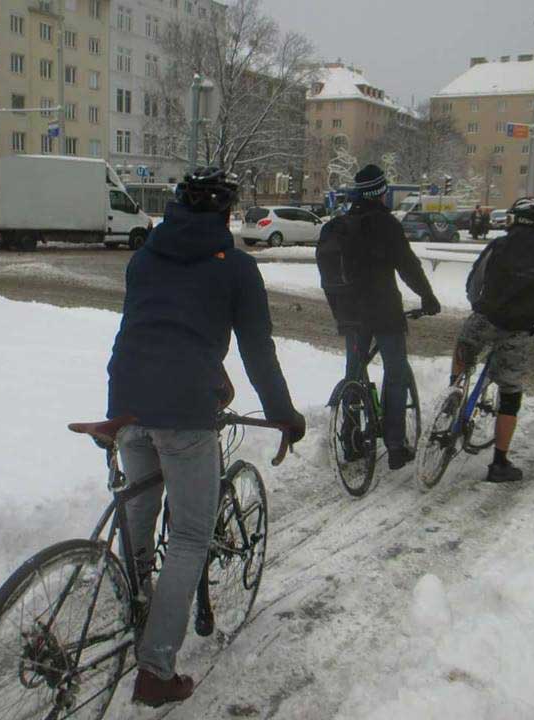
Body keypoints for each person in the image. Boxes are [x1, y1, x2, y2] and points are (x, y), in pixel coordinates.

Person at [106, 167, 306, 708]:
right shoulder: (237, 268)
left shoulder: (144, 255)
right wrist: (284, 414)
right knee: (193, 538)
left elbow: (152, 328)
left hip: (126, 399)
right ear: (226, 213)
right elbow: (257, 352)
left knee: (140, 515)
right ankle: (155, 669)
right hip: (186, 411)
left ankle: (140, 606)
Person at [324, 164, 442, 470]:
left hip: (348, 311)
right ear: (380, 192)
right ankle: (395, 444)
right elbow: (408, 266)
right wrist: (427, 297)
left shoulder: (342, 224)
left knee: (354, 372)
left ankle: (350, 440)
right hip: (383, 310)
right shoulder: (386, 224)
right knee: (395, 370)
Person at [451, 196, 534, 483]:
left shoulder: (499, 245)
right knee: (511, 391)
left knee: (462, 352)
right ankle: (499, 463)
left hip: (485, 318)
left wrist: (477, 305)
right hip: (518, 329)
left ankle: (452, 397)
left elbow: (475, 280)